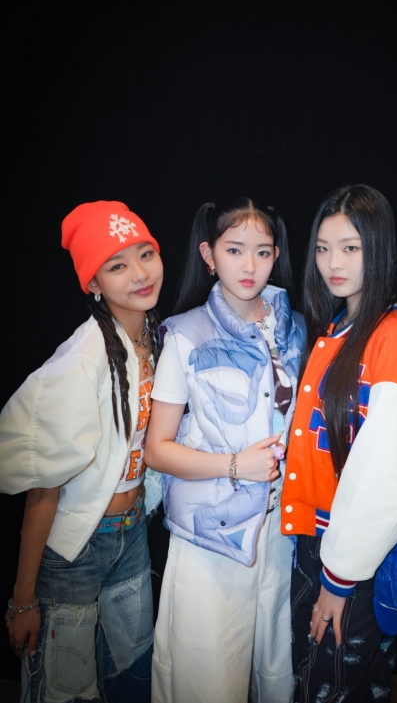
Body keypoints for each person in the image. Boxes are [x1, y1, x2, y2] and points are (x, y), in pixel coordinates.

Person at [0, 200, 163, 703]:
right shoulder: (81, 358)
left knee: (132, 676)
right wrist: (23, 598)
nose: (140, 274)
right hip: (76, 549)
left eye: (146, 254)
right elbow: (43, 486)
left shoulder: (154, 336)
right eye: (117, 266)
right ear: (93, 283)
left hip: (131, 534)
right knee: (66, 691)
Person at [144, 197, 305, 703]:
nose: (249, 265)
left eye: (262, 251)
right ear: (209, 255)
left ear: (276, 255)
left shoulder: (297, 330)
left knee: (277, 678)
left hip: (279, 534)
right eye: (234, 250)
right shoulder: (186, 335)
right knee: (208, 681)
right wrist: (237, 465)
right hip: (210, 537)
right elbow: (156, 450)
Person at [280, 184, 397, 701]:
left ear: (379, 249)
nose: (333, 263)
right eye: (323, 248)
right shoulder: (340, 327)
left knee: (333, 688)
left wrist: (339, 579)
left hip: (357, 560)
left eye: (351, 248)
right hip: (328, 547)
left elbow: (388, 477)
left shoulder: (391, 338)